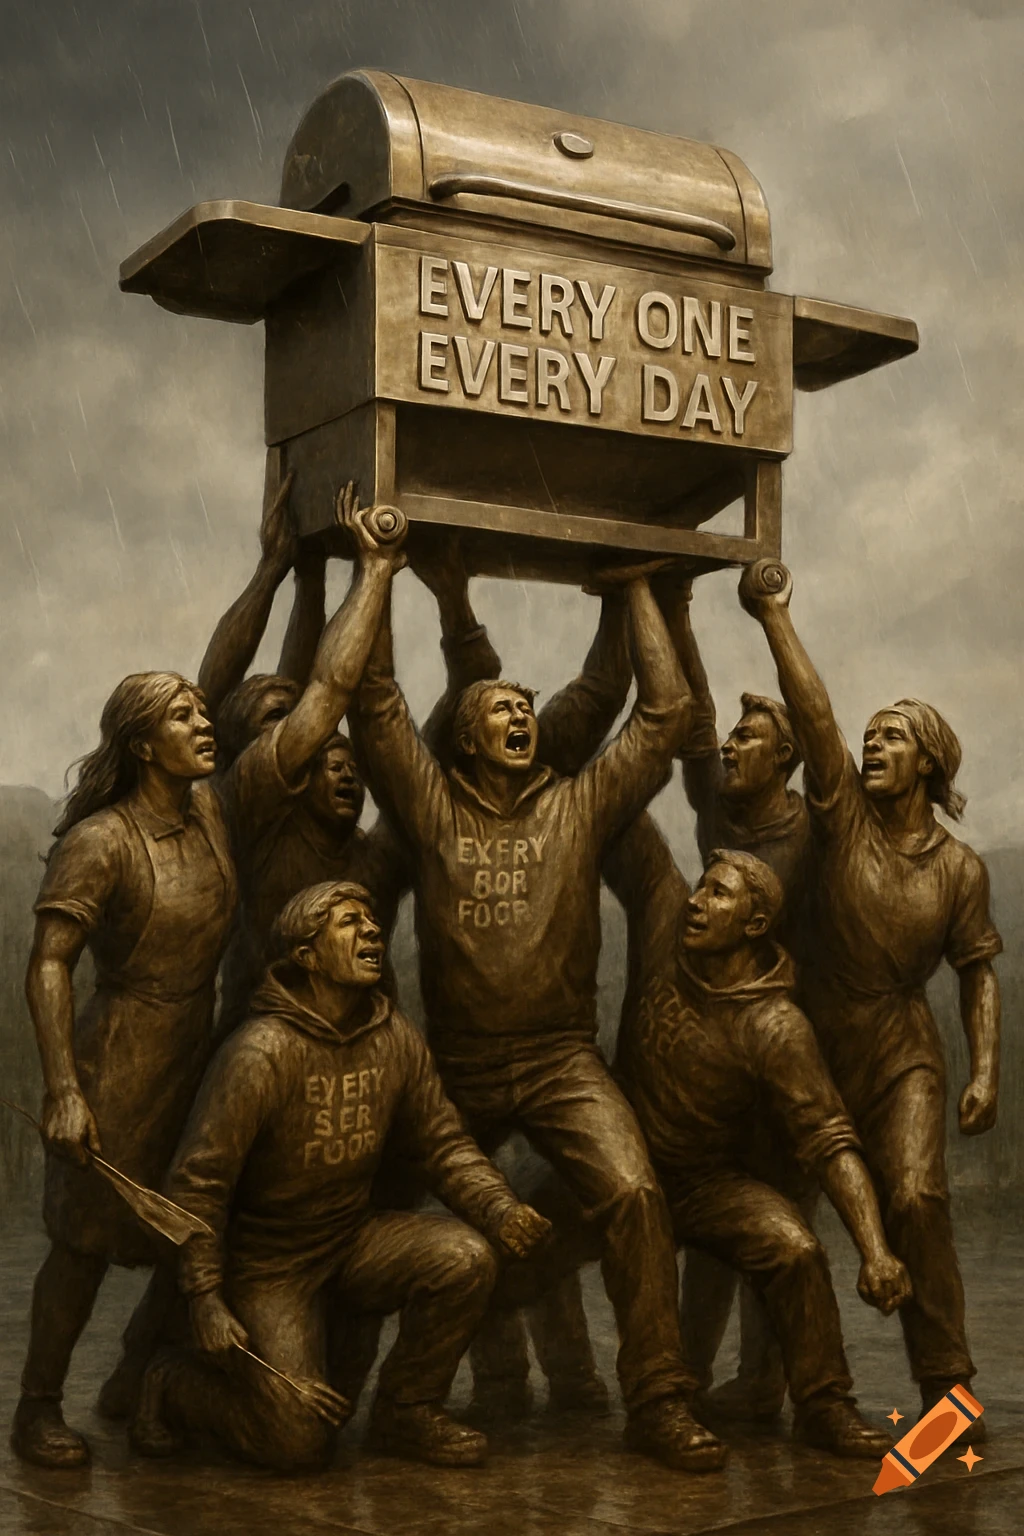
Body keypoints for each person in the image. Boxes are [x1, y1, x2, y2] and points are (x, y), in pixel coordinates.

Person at [351, 569, 728, 1472]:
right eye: (497, 706)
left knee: (636, 1195)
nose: (519, 714)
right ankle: (389, 1400)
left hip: (564, 1060)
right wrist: (376, 572)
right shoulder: (430, 804)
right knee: (385, 1207)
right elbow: (372, 703)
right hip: (460, 1065)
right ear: (466, 737)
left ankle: (659, 1401)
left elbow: (665, 717)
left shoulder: (580, 803)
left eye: (526, 704)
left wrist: (637, 584)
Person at [130, 882, 551, 1471]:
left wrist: (499, 1209)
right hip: (268, 1266)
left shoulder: (394, 1037)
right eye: (349, 922)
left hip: (352, 1240)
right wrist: (203, 1295)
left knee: (466, 1257)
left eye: (372, 921)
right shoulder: (260, 1053)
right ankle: (171, 1383)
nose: (372, 931)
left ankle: (406, 1410)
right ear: (306, 956)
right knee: (296, 1444)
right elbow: (198, 1186)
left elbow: (444, 1143)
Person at [742, 560, 1001, 1428]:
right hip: (814, 1043)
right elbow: (812, 714)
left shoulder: (960, 869)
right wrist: (775, 614)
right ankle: (781, 1387)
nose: (869, 746)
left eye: (889, 737)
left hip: (903, 1055)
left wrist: (985, 1072)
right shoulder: (842, 814)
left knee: (918, 1198)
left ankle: (947, 1389)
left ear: (928, 758)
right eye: (870, 737)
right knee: (785, 1214)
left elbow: (977, 974)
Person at [613, 844, 912, 1456]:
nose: (696, 902)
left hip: (703, 1185)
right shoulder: (665, 927)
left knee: (795, 1249)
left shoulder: (777, 1027)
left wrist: (876, 1251)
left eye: (718, 893)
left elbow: (830, 1140)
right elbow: (627, 812)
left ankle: (823, 1403)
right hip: (614, 1166)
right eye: (700, 887)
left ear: (754, 924)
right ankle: (650, 1403)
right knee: (510, 1258)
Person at [11, 672, 237, 1468]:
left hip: (196, 1058)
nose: (205, 723)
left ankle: (138, 1379)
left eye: (203, 709)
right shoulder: (101, 841)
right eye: (184, 716)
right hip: (119, 1066)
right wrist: (65, 1089)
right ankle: (37, 1408)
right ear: (143, 746)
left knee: (193, 1230)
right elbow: (48, 964)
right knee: (84, 1245)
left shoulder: (208, 811)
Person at [668, 581, 818, 1421]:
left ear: (786, 756)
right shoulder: (719, 821)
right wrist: (683, 614)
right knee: (718, 1215)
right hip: (718, 1057)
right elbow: (691, 721)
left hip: (788, 1046)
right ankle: (687, 1373)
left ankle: (768, 1381)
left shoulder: (815, 827)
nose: (731, 747)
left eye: (749, 737)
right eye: (735, 734)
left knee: (782, 1215)